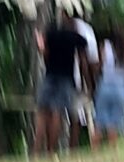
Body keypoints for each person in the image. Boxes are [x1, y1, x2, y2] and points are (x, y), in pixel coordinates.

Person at [34, 8, 86, 153]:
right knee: (57, 113)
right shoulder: (75, 37)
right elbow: (83, 56)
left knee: (42, 113)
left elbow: (45, 54)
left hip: (50, 77)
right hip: (66, 79)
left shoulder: (51, 34)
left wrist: (41, 46)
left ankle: (36, 150)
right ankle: (51, 150)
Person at [94, 30, 124, 142]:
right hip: (120, 87)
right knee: (113, 124)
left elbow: (99, 65)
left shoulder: (105, 46)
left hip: (105, 86)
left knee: (99, 123)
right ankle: (112, 148)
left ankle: (95, 148)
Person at [71, 13, 99, 149]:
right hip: (79, 78)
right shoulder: (87, 30)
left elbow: (85, 59)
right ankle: (93, 146)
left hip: (73, 77)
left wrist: (87, 82)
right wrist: (91, 83)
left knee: (76, 118)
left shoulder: (69, 26)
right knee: (85, 116)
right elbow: (92, 61)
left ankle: (73, 148)